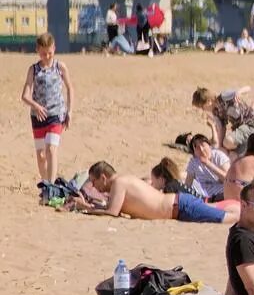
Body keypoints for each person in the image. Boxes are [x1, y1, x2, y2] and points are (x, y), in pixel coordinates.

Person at [69, 161, 236, 224]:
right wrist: (88, 207)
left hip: (180, 206)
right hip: (178, 207)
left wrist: (86, 209)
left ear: (103, 177)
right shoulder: (122, 181)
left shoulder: (120, 183)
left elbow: (112, 213)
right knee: (219, 213)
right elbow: (112, 209)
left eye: (94, 181)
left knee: (225, 218)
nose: (94, 186)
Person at [21, 32, 73, 187]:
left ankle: (51, 187)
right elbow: (25, 95)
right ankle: (45, 184)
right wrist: (35, 106)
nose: (47, 56)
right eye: (43, 53)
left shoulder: (60, 67)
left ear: (54, 48)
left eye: (50, 53)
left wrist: (69, 111)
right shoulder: (33, 69)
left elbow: (70, 88)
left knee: (51, 149)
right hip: (38, 117)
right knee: (41, 155)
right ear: (38, 50)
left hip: (56, 115)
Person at [183, 134, 231, 201]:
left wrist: (208, 164)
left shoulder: (219, 156)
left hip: (223, 193)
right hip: (204, 194)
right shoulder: (194, 161)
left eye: (203, 145)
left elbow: (229, 180)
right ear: (194, 152)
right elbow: (188, 183)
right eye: (197, 147)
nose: (201, 149)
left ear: (209, 145)